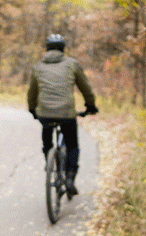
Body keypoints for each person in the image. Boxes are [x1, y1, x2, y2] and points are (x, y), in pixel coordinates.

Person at [27, 33, 98, 196]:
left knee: (47, 139)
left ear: (47, 49)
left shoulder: (38, 66)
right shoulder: (72, 64)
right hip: (66, 113)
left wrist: (32, 109)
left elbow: (32, 92)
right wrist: (91, 105)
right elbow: (85, 88)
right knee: (72, 145)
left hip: (45, 113)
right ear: (63, 49)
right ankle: (70, 178)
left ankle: (49, 162)